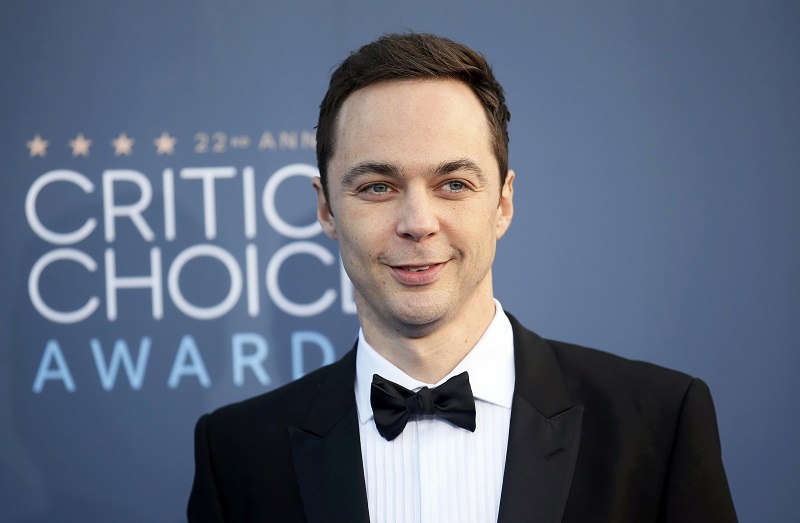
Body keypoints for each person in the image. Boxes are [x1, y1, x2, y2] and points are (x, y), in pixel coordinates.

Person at [187, 32, 737, 522]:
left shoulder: (658, 423)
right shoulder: (236, 454)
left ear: (503, 202)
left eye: (453, 183)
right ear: (327, 209)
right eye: (377, 186)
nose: (417, 224)